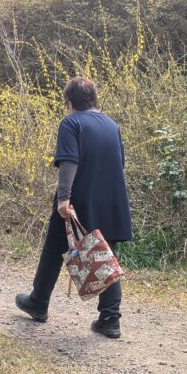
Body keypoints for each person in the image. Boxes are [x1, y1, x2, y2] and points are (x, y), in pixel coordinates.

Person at [15, 76, 133, 338]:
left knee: (54, 248)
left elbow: (69, 161)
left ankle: (38, 302)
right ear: (94, 98)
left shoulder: (71, 123)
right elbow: (119, 163)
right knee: (106, 255)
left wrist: (63, 199)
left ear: (69, 101)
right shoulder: (111, 124)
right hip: (111, 200)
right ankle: (110, 319)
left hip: (78, 201)